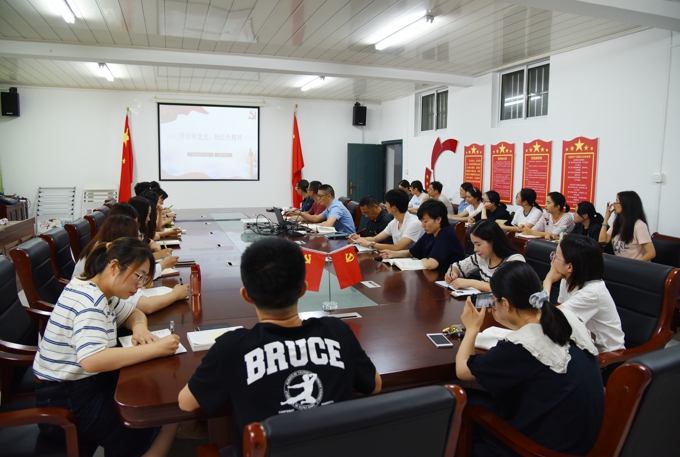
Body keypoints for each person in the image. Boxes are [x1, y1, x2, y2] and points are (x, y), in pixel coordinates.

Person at [178, 237, 381, 456]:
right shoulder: (337, 331)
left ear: (246, 295)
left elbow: (186, 403)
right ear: (303, 289)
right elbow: (374, 385)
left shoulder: (231, 348)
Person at [34, 238, 181, 457]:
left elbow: (134, 313)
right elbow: (92, 360)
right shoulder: (90, 302)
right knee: (150, 415)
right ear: (113, 267)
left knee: (150, 395)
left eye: (143, 278)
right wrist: (155, 349)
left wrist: (139, 328)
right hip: (66, 402)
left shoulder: (98, 290)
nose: (139, 285)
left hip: (82, 387)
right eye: (138, 276)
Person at [456, 261, 603, 457]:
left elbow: (463, 370)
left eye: (495, 300)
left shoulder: (519, 348)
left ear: (505, 303)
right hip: (581, 439)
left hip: (544, 450)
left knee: (464, 400)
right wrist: (508, 318)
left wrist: (472, 328)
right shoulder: (563, 316)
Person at [71, 215, 187, 314]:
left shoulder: (108, 293)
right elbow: (146, 306)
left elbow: (132, 315)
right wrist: (175, 295)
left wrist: (138, 325)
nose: (140, 239)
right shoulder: (92, 306)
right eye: (139, 276)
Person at [542, 235, 625, 353]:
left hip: (606, 355)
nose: (553, 259)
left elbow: (548, 318)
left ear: (569, 267)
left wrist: (548, 280)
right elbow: (557, 310)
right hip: (579, 342)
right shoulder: (568, 279)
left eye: (556, 255)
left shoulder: (592, 292)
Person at [380, 199, 464, 272]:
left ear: (438, 219)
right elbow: (411, 252)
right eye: (422, 222)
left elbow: (431, 264)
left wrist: (424, 260)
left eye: (425, 221)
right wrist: (393, 254)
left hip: (449, 279)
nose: (423, 225)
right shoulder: (430, 232)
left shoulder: (445, 234)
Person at [445, 220, 524, 292]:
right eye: (473, 244)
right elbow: (457, 267)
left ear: (493, 241)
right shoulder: (481, 256)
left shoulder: (515, 260)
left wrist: (471, 283)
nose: (475, 249)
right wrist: (453, 273)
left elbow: (505, 289)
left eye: (478, 244)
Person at [349, 189, 424, 251]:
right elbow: (376, 238)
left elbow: (398, 247)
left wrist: (370, 244)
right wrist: (359, 238)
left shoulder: (414, 223)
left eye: (387, 203)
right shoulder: (395, 222)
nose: (384, 206)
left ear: (394, 208)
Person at [599, 191, 656, 261]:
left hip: (635, 265)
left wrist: (632, 265)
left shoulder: (639, 225)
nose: (614, 205)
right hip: (621, 264)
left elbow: (651, 253)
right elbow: (602, 242)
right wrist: (606, 218)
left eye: (617, 202)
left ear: (626, 205)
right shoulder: (617, 223)